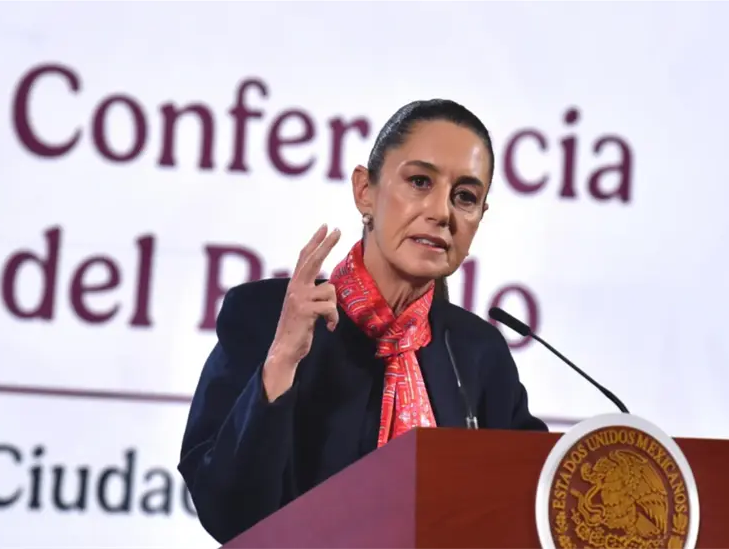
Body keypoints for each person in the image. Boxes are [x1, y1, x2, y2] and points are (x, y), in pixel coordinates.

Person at [177, 99, 548, 544]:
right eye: (419, 182)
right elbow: (229, 514)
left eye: (465, 197)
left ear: (479, 218)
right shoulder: (266, 318)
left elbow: (537, 507)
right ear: (364, 191)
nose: (441, 212)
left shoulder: (477, 354)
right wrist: (281, 362)